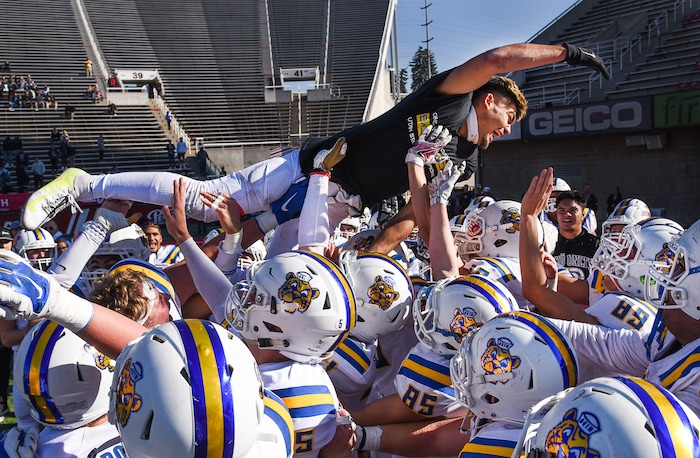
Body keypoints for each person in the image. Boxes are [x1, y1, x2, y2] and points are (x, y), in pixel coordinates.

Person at [21, 42, 610, 256]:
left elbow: (414, 218)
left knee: (279, 275)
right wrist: (565, 54)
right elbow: (497, 60)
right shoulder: (453, 98)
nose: (510, 123)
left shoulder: (463, 161)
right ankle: (83, 183)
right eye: (510, 109)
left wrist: (376, 251)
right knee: (209, 201)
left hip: (334, 205)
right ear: (490, 97)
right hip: (314, 164)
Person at [551, 190, 599, 280]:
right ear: (556, 214)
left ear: (583, 214)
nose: (567, 215)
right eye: (562, 211)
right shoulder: (548, 242)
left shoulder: (596, 245)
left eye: (573, 210)